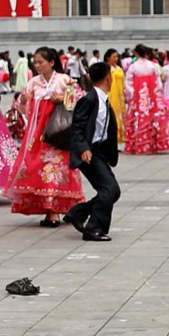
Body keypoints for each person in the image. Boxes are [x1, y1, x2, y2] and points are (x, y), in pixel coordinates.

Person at [5, 46, 81, 227]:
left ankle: (54, 212)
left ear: (52, 62)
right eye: (36, 62)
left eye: (41, 62)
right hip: (38, 133)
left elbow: (78, 100)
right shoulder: (34, 82)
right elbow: (23, 105)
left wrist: (61, 99)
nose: (37, 66)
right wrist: (23, 101)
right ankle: (48, 209)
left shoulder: (65, 80)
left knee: (56, 170)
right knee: (39, 168)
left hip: (58, 132)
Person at [64, 61, 121, 242]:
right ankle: (93, 229)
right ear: (108, 78)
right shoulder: (89, 100)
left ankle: (77, 213)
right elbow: (77, 127)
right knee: (108, 189)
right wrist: (83, 149)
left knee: (113, 191)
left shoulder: (103, 99)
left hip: (100, 152)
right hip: (89, 153)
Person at [124, 48, 169, 155]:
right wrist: (158, 93)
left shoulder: (133, 66)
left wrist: (132, 94)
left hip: (139, 95)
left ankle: (140, 143)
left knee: (139, 118)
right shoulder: (152, 65)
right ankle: (155, 143)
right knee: (153, 117)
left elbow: (128, 82)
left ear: (136, 53)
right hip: (152, 95)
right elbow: (158, 82)